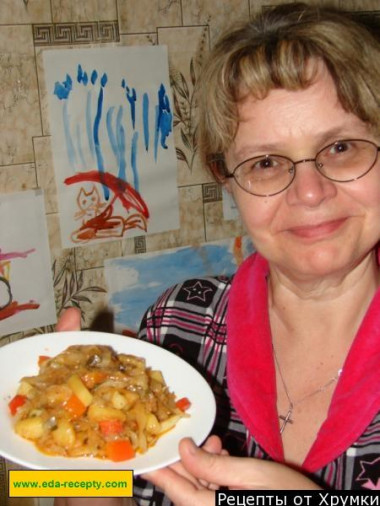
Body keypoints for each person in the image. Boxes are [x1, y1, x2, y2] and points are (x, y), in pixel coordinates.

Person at [55, 2, 380, 504]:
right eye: (266, 162)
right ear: (228, 182)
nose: (310, 193)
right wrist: (68, 459)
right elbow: (48, 486)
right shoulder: (174, 328)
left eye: (341, 148)